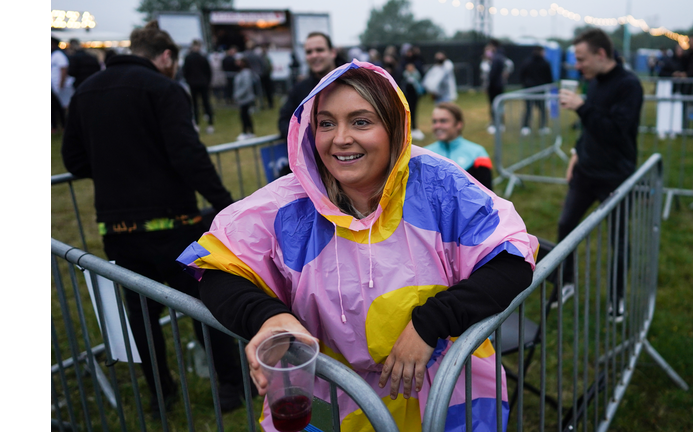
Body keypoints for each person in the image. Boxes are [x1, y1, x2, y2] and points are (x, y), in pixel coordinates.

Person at [176, 60, 538, 431]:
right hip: (331, 402)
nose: (340, 138)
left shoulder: (440, 185)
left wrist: (433, 322)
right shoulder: (286, 205)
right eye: (326, 123)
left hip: (441, 398)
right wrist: (268, 318)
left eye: (361, 121)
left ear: (393, 128)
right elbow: (217, 268)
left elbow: (511, 259)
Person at [61, 20, 247, 418]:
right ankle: (232, 385)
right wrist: (227, 204)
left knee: (143, 316)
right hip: (175, 223)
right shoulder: (164, 89)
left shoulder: (85, 91)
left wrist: (117, 168)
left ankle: (161, 393)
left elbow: (74, 160)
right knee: (205, 305)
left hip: (118, 230)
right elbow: (188, 155)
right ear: (166, 57)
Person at [557, 28, 643, 319]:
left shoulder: (629, 85)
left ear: (601, 54)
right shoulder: (592, 82)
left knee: (618, 240)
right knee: (565, 227)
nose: (577, 65)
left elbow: (618, 133)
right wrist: (575, 154)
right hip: (585, 172)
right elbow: (591, 130)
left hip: (615, 176)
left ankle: (616, 299)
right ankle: (566, 282)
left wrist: (582, 107)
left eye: (581, 59)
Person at [276, 32, 341, 176]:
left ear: (332, 52)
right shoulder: (299, 89)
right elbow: (284, 121)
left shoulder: (353, 81)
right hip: (314, 170)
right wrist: (306, 139)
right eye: (309, 52)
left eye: (320, 50)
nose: (314, 55)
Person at [425, 102, 493, 190]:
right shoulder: (424, 154)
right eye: (434, 121)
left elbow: (488, 195)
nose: (437, 126)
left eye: (443, 121)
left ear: (458, 124)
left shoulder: (477, 154)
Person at [518, 46, 554, 136]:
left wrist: (525, 85)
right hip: (540, 90)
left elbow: (521, 75)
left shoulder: (527, 62)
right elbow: (549, 78)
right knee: (540, 109)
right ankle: (541, 127)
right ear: (541, 52)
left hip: (530, 89)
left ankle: (526, 127)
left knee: (529, 109)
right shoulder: (545, 63)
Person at [182, 39, 215, 134]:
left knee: (198, 104)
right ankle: (208, 124)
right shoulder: (201, 57)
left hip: (195, 84)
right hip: (201, 84)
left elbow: (185, 71)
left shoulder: (190, 58)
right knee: (203, 104)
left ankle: (200, 124)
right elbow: (208, 72)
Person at [486, 39, 514, 134]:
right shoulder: (500, 56)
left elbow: (493, 74)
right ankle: (500, 124)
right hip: (499, 85)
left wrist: (489, 85)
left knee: (495, 106)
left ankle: (496, 124)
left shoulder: (497, 57)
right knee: (499, 105)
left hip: (495, 86)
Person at [233, 58, 256, 141]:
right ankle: (248, 132)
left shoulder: (246, 73)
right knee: (245, 116)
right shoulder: (241, 73)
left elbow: (246, 86)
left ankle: (247, 132)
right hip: (242, 99)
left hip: (245, 99)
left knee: (245, 116)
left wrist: (238, 95)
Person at [402, 62, 425, 140]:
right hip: (406, 97)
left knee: (413, 112)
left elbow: (419, 85)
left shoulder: (416, 75)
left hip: (414, 97)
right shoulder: (404, 75)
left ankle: (414, 128)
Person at [51, 35, 69, 133]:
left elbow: (63, 69)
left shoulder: (58, 54)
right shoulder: (55, 54)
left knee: (59, 107)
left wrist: (61, 84)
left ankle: (62, 126)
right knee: (55, 106)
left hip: (57, 86)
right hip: (54, 85)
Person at [258, 44, 275, 108]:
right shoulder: (262, 57)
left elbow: (269, 67)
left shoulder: (265, 57)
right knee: (264, 91)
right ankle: (265, 104)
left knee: (268, 91)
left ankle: (269, 103)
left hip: (266, 76)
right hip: (264, 76)